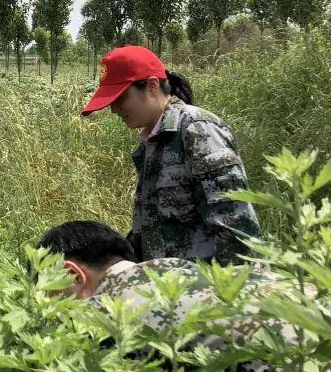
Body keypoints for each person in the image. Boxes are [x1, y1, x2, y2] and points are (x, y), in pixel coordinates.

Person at [38, 220, 302, 372]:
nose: (51, 310)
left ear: (74, 276)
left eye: (49, 293)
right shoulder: (175, 267)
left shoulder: (109, 315)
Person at [81, 45, 259, 264]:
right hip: (171, 288)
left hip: (209, 288)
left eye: (119, 99)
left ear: (152, 86)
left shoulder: (197, 129)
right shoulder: (153, 141)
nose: (114, 109)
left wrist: (232, 292)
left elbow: (236, 226)